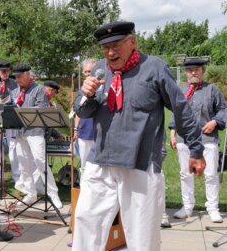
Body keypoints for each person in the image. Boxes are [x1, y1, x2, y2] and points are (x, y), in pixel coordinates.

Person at [73, 21, 205, 251]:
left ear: (132, 42)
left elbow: (181, 108)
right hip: (100, 160)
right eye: (105, 47)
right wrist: (86, 94)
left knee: (142, 235)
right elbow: (83, 112)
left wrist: (195, 149)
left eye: (116, 45)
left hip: (140, 164)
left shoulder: (154, 67)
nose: (110, 52)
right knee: (86, 221)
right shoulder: (99, 69)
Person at [170, 58, 226, 223]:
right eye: (190, 70)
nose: (193, 72)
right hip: (184, 138)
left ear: (203, 70)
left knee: (210, 174)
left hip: (207, 138)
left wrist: (215, 122)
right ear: (186, 72)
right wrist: (173, 133)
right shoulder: (180, 90)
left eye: (196, 69)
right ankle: (187, 206)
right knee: (185, 173)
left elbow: (223, 109)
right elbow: (176, 112)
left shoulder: (212, 89)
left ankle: (213, 208)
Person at [10, 63, 63, 209]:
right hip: (20, 132)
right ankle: (30, 193)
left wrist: (22, 111)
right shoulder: (14, 92)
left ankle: (53, 193)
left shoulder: (39, 89)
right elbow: (9, 107)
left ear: (28, 75)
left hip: (35, 132)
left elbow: (42, 108)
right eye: (16, 77)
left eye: (20, 76)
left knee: (40, 161)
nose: (17, 80)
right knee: (23, 165)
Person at [73, 59, 97, 173]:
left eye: (90, 71)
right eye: (86, 71)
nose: (88, 74)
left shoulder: (103, 88)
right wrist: (75, 129)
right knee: (84, 165)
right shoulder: (81, 91)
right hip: (85, 132)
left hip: (99, 132)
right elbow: (78, 112)